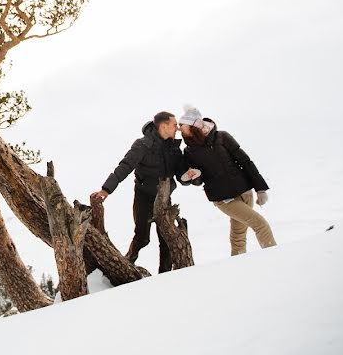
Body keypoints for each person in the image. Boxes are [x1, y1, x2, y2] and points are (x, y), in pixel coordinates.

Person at [91, 111, 188, 273]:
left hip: (164, 198)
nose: (177, 128)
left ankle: (166, 276)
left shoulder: (173, 148)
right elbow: (125, 166)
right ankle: (126, 264)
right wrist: (106, 189)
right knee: (142, 237)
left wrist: (189, 176)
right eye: (174, 125)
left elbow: (181, 174)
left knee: (166, 238)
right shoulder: (143, 145)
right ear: (163, 126)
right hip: (143, 196)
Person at [178, 105, 277, 256]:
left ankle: (236, 267)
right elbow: (197, 180)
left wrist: (260, 189)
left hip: (245, 191)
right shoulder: (189, 150)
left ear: (194, 126)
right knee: (260, 225)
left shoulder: (222, 137)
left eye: (182, 125)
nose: (180, 129)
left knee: (238, 235)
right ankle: (277, 258)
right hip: (223, 198)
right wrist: (195, 175)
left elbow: (245, 161)